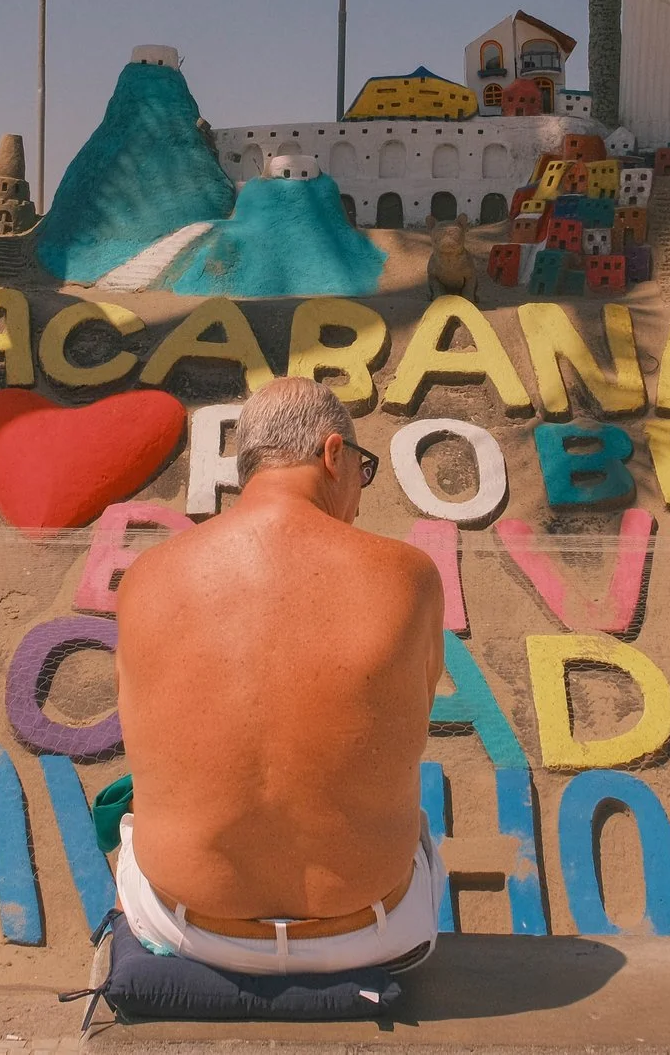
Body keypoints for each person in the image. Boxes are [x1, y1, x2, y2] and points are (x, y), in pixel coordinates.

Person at [114, 377, 446, 975]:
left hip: (189, 929)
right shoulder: (409, 577)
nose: (360, 492)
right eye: (363, 470)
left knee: (135, 811)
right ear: (334, 454)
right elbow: (413, 720)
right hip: (367, 932)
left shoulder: (147, 577)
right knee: (415, 821)